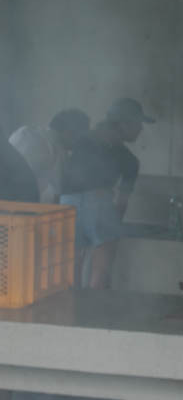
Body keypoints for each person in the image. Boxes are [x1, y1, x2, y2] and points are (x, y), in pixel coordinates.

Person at [60, 98, 153, 289]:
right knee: (101, 271)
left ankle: (69, 314)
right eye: (138, 124)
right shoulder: (129, 160)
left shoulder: (79, 140)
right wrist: (113, 229)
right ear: (123, 123)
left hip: (66, 204)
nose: (141, 129)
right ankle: (94, 315)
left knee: (71, 268)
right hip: (100, 201)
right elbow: (121, 202)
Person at [9, 109, 90, 203]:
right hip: (18, 207)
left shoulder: (24, 131)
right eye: (81, 136)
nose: (80, 143)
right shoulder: (58, 151)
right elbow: (56, 197)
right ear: (70, 132)